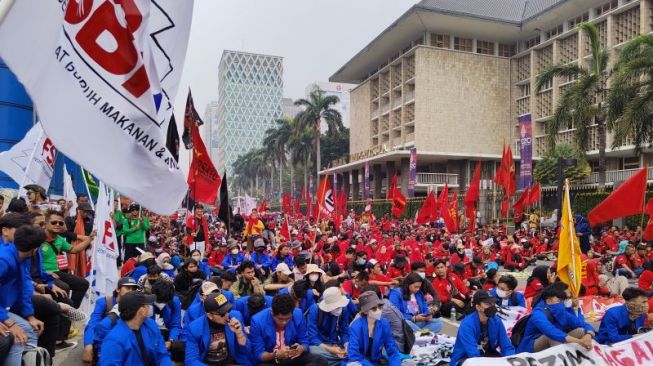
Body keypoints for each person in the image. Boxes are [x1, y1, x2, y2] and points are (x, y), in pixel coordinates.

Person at [0, 221, 45, 366]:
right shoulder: (4, 260)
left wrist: (30, 316)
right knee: (18, 337)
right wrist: (9, 323)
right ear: (35, 249)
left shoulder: (23, 257)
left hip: (4, 308)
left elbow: (25, 288)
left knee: (30, 330)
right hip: (2, 311)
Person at [249, 293, 327, 366]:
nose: (284, 322)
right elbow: (258, 354)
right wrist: (275, 355)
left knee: (320, 361)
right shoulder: (257, 321)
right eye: (280, 319)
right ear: (272, 313)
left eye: (288, 319)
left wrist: (301, 348)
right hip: (271, 359)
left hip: (291, 357)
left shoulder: (298, 314)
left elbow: (305, 341)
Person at [516, 284, 596, 353]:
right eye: (561, 299)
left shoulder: (561, 311)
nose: (566, 301)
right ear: (549, 301)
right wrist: (579, 342)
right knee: (553, 338)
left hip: (557, 339)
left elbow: (582, 324)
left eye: (568, 298)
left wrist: (588, 335)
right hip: (531, 346)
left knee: (581, 331)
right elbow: (551, 332)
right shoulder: (538, 313)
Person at [98, 291, 171, 366]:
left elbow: (162, 355)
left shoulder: (151, 325)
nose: (150, 306)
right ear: (141, 310)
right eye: (147, 305)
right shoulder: (114, 340)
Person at [41, 209, 93, 308]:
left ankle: (70, 310)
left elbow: (74, 250)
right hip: (42, 273)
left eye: (60, 223)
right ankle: (64, 310)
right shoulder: (38, 238)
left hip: (56, 272)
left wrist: (90, 238)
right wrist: (45, 272)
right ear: (46, 224)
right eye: (54, 222)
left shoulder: (59, 239)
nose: (57, 224)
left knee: (83, 284)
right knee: (65, 287)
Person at [184, 292, 253, 366]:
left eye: (228, 310)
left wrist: (239, 334)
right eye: (222, 313)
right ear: (210, 315)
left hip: (231, 362)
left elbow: (247, 351)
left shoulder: (235, 317)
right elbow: (191, 361)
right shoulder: (195, 328)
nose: (227, 315)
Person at [83, 277, 139, 365]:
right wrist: (88, 345)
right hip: (103, 340)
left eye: (133, 289)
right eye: (128, 288)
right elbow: (92, 324)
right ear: (118, 289)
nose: (131, 291)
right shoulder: (104, 302)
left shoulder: (135, 304)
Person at [450, 290, 515, 366]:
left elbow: (506, 346)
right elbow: (473, 354)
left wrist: (511, 360)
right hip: (466, 358)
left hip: (487, 355)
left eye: (493, 303)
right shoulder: (467, 324)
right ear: (478, 307)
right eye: (488, 304)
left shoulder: (496, 320)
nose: (492, 306)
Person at [344, 291, 404, 366]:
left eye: (380, 306)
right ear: (365, 311)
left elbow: (392, 351)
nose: (379, 310)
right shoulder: (356, 327)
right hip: (359, 362)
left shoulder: (384, 323)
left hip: (376, 362)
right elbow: (354, 355)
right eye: (374, 308)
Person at [307, 287, 351, 366]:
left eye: (340, 306)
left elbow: (344, 332)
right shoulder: (315, 309)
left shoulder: (343, 309)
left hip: (335, 344)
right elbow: (312, 337)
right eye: (336, 307)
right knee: (312, 351)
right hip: (320, 346)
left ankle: (335, 361)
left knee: (351, 350)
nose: (339, 309)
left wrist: (346, 345)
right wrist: (330, 350)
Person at [150, 279, 183, 346]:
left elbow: (175, 325)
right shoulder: (147, 303)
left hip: (167, 332)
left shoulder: (174, 302)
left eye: (163, 302)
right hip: (151, 334)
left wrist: (171, 341)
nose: (160, 304)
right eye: (158, 301)